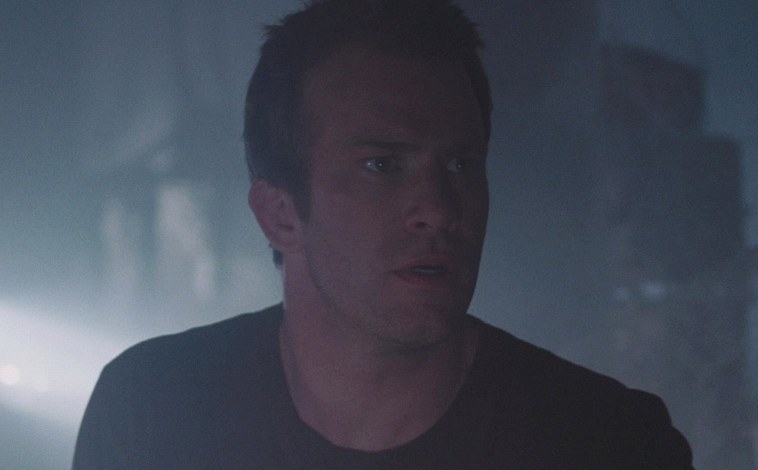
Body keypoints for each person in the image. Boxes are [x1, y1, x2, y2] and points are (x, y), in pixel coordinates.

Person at [73, 0, 694, 468]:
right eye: (382, 164)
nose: (439, 210)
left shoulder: (608, 443)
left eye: (461, 165)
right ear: (280, 214)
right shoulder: (155, 410)